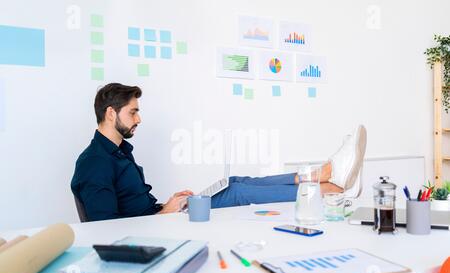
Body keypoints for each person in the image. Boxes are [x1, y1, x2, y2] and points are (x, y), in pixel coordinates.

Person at [71, 83, 367, 222]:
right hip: (156, 227)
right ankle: (329, 186)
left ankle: (324, 177)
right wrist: (164, 213)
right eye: (133, 112)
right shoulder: (94, 163)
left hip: (161, 216)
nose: (139, 119)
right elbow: (104, 230)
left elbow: (132, 203)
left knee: (236, 181)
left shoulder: (118, 152)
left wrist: (170, 204)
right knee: (237, 193)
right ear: (111, 114)